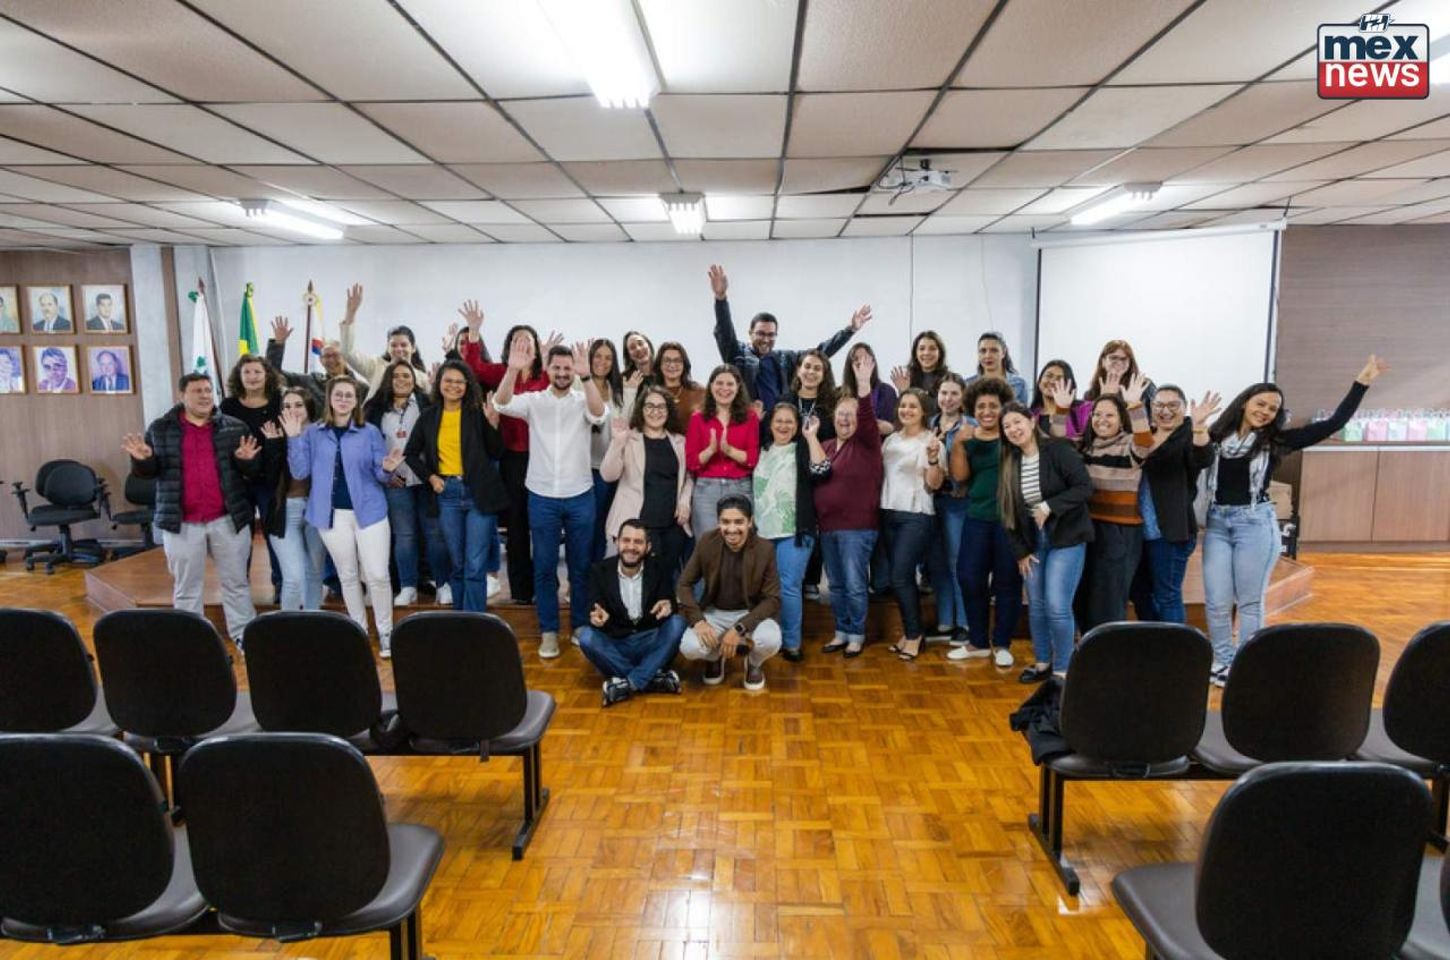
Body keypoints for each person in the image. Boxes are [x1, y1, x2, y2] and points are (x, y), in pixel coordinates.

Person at [1202, 355, 1387, 684]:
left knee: (1249, 602)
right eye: (1261, 403)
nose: (1266, 411)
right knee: (1216, 602)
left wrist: (1362, 382)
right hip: (1217, 524)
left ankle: (1246, 666)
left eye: (1273, 409)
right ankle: (1222, 661)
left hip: (1254, 525)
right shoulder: (1215, 436)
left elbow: (1334, 424)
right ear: (1245, 402)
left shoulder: (1277, 441)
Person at [121, 373, 262, 647]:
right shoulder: (161, 429)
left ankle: (244, 636)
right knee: (187, 588)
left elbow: (251, 473)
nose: (205, 395)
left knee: (237, 584)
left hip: (227, 519)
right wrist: (143, 461)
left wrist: (246, 462)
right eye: (197, 391)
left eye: (208, 390)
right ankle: (191, 641)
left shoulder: (234, 427)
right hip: (181, 522)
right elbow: (150, 473)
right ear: (182, 396)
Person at [494, 340, 607, 658]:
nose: (561, 372)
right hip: (542, 496)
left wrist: (587, 379)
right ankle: (548, 631)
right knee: (544, 567)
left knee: (580, 567)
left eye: (567, 368)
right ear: (547, 369)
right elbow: (502, 403)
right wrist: (513, 369)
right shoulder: (533, 401)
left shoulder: (583, 398)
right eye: (556, 367)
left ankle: (581, 626)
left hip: (580, 495)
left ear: (574, 370)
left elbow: (599, 415)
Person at [283, 376, 405, 657]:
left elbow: (380, 473)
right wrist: (294, 438)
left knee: (377, 574)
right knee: (348, 576)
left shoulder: (369, 432)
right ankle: (359, 630)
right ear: (329, 398)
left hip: (370, 512)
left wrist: (387, 468)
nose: (343, 399)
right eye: (338, 394)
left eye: (349, 395)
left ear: (356, 400)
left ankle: (385, 631)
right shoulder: (313, 432)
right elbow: (300, 472)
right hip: (331, 516)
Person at [458, 300, 555, 605]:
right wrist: (474, 332)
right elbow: (472, 368)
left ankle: (546, 588)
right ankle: (522, 593)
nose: (522, 344)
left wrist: (552, 359)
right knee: (516, 528)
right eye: (516, 340)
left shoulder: (546, 376)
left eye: (528, 340)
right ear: (508, 346)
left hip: (545, 460)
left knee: (542, 528)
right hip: (512, 459)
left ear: (537, 349)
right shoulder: (501, 372)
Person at [404, 359, 508, 613]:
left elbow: (496, 451)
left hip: (478, 494)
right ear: (439, 384)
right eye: (448, 380)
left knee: (475, 564)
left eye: (460, 382)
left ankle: (474, 622)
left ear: (467, 386)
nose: (454, 386)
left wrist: (493, 424)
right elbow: (410, 453)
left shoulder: (475, 414)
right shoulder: (429, 417)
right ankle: (461, 620)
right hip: (447, 494)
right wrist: (431, 477)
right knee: (459, 563)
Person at [999, 403, 1093, 682]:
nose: (1013, 430)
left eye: (1017, 422)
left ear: (1031, 420)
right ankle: (1042, 663)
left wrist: (1049, 505)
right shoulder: (1010, 461)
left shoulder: (1057, 449)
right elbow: (1007, 511)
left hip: (1066, 537)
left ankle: (1063, 669)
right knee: (1037, 604)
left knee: (1056, 605)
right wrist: (1020, 551)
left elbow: (1084, 487)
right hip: (1032, 541)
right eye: (1007, 427)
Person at [708, 263, 870, 411]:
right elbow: (725, 330)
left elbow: (820, 353)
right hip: (744, 423)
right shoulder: (737, 354)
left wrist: (850, 330)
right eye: (761, 334)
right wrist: (721, 298)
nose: (766, 339)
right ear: (750, 333)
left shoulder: (785, 358)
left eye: (771, 335)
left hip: (778, 426)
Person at [1064, 375, 1154, 632]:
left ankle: (1107, 660)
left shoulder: (1129, 445)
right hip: (1088, 529)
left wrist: (1135, 406)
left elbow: (1145, 442)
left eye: (1110, 415)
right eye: (1097, 415)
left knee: (1109, 599)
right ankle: (1087, 650)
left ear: (1121, 419)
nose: (1102, 420)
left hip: (1120, 532)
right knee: (1082, 595)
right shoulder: (1086, 446)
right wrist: (1061, 409)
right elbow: (1057, 443)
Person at [363, 359, 454, 607]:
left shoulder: (426, 403)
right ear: (388, 379)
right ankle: (407, 586)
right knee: (404, 535)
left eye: (407, 376)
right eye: (397, 376)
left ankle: (443, 584)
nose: (402, 380)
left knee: (435, 533)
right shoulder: (376, 408)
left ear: (415, 380)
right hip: (395, 477)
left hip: (425, 475)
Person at [813, 348, 884, 657]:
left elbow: (868, 416)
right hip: (827, 527)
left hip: (857, 528)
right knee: (837, 585)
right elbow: (816, 473)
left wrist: (863, 384)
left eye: (850, 415)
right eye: (840, 414)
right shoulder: (827, 445)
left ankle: (856, 632)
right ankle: (841, 630)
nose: (844, 418)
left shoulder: (868, 444)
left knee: (855, 584)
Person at [948, 378, 1020, 666]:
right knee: (968, 576)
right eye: (981, 406)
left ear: (1003, 408)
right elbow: (961, 477)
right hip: (977, 517)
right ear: (972, 409)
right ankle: (977, 641)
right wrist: (957, 444)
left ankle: (1002, 643)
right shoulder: (967, 436)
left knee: (1007, 582)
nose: (987, 411)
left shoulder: (1013, 435)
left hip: (1009, 520)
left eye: (993, 406)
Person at [676, 495, 782, 691]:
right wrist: (698, 620)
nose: (732, 529)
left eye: (739, 522)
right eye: (725, 522)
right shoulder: (707, 541)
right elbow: (684, 584)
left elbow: (772, 600)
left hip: (751, 614)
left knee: (771, 640)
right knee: (689, 647)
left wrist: (739, 629)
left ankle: (754, 663)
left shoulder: (765, 549)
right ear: (718, 522)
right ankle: (714, 657)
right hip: (715, 612)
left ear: (750, 522)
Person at [577, 519, 686, 706]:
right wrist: (596, 618)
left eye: (638, 542)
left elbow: (669, 605)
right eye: (626, 541)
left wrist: (668, 607)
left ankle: (629, 683)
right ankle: (651, 679)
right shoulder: (599, 570)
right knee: (585, 636)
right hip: (616, 643)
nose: (631, 547)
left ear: (647, 547)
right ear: (617, 542)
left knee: (678, 623)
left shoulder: (659, 567)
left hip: (650, 641)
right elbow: (592, 608)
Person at [1138, 385, 1219, 624]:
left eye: (1173, 405)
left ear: (1183, 409)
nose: (1165, 411)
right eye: (1159, 405)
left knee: (1167, 596)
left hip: (1169, 532)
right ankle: (1154, 641)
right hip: (1137, 531)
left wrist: (1200, 426)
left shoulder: (1188, 434)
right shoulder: (1144, 433)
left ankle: (1174, 652)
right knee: (1140, 593)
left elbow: (1203, 458)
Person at [878, 388, 946, 661]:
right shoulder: (891, 439)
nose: (906, 410)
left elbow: (935, 483)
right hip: (888, 511)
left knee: (901, 575)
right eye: (903, 406)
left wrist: (932, 458)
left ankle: (916, 636)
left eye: (913, 407)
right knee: (899, 578)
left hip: (916, 514)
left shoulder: (932, 442)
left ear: (924, 412)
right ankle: (908, 632)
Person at [752, 403, 823, 663]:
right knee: (765, 589)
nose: (783, 426)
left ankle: (792, 643)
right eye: (778, 421)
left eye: (789, 422)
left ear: (797, 425)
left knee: (789, 586)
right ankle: (770, 637)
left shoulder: (802, 448)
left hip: (794, 531)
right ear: (770, 424)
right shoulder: (762, 450)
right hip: (762, 532)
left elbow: (821, 469)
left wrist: (811, 436)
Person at [599, 385, 693, 577]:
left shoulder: (679, 441)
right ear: (641, 410)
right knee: (637, 582)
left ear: (668, 411)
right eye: (649, 406)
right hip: (637, 527)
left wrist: (684, 501)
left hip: (672, 526)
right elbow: (608, 475)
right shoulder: (629, 438)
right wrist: (617, 442)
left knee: (666, 582)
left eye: (661, 407)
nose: (655, 412)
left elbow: (689, 477)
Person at [221, 353, 284, 598]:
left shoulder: (279, 400)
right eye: (247, 372)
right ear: (239, 376)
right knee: (240, 534)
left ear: (266, 374)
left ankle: (279, 582)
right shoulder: (228, 406)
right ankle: (240, 584)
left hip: (270, 478)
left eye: (257, 371)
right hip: (239, 479)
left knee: (274, 532)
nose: (252, 376)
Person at [261, 387, 327, 611]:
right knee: (293, 578)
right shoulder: (274, 433)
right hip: (285, 511)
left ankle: (312, 622)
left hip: (315, 510)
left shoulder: (321, 433)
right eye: (287, 406)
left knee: (314, 573)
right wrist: (272, 446)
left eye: (298, 405)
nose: (293, 410)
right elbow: (266, 479)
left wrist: (297, 438)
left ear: (309, 407)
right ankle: (287, 629)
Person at [685, 364, 760, 536]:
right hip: (706, 490)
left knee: (740, 545)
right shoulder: (697, 419)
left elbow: (752, 459)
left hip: (741, 486)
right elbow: (692, 463)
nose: (724, 388)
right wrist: (711, 450)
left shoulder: (750, 418)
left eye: (730, 384)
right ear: (711, 386)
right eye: (719, 383)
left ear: (738, 387)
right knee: (708, 546)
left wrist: (729, 450)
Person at [927, 374, 970, 645]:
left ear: (963, 396)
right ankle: (945, 620)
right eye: (944, 393)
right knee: (937, 563)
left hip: (958, 502)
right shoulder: (930, 424)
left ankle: (964, 623)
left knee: (957, 562)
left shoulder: (970, 426)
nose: (948, 398)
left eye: (954, 393)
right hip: (932, 501)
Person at [336, 284, 431, 397]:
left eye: (404, 345)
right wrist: (350, 313)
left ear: (413, 348)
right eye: (394, 345)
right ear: (388, 348)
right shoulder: (376, 367)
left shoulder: (423, 379)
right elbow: (347, 352)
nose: (399, 349)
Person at [587, 338, 625, 561]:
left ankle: (595, 580)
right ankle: (577, 582)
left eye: (608, 357)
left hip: (609, 468)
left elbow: (625, 422)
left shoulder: (616, 389)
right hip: (584, 467)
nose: (602, 361)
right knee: (585, 527)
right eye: (598, 356)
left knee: (601, 525)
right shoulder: (577, 384)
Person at [264, 315, 354, 404]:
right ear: (321, 360)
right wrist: (278, 344)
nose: (331, 360)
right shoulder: (311, 382)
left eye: (335, 355)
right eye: (326, 356)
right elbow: (274, 373)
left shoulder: (361, 388)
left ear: (345, 357)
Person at [641, 341, 706, 435]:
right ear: (659, 364)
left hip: (696, 448)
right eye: (667, 360)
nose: (672, 365)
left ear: (684, 364)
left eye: (677, 360)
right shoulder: (650, 394)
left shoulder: (700, 391)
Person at [780, 348, 837, 442]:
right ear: (798, 371)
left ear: (824, 375)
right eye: (807, 366)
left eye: (817, 369)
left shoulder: (833, 405)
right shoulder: (783, 401)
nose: (811, 372)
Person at [840, 342, 897, 436]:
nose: (861, 362)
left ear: (873, 363)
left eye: (865, 358)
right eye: (856, 359)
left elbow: (892, 427)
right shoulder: (839, 393)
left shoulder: (887, 391)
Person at [892, 330, 949, 416]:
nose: (926, 353)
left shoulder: (949, 379)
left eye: (932, 349)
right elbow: (902, 414)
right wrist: (904, 392)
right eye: (922, 349)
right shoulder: (907, 377)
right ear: (915, 353)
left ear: (940, 353)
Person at [1031, 360, 1091, 440]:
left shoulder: (1084, 409)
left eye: (1059, 379)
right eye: (1049, 376)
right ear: (1039, 381)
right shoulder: (1030, 415)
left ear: (1069, 385)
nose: (1052, 381)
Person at [1084, 339, 1156, 405]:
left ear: (1130, 363)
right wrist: (1105, 399)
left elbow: (1155, 417)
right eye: (1113, 358)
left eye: (1123, 359)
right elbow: (1089, 419)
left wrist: (1133, 405)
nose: (1118, 363)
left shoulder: (1143, 386)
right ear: (1103, 361)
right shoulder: (1091, 394)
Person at [965, 331, 1028, 404]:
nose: (988, 355)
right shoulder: (968, 384)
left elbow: (1022, 413)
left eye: (994, 351)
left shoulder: (1019, 384)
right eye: (983, 351)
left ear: (1003, 353)